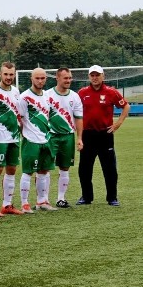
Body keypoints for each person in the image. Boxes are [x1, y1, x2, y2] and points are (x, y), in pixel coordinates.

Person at [77, 65, 130, 206]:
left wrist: (118, 123)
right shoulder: (82, 93)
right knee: (84, 168)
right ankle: (86, 197)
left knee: (110, 168)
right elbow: (75, 111)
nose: (95, 78)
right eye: (92, 75)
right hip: (88, 134)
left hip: (105, 134)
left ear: (103, 76)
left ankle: (112, 198)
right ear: (89, 77)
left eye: (97, 75)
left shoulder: (111, 92)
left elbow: (126, 106)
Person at [16, 68, 55, 213]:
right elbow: (19, 118)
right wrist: (26, 134)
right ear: (31, 79)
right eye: (37, 78)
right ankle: (25, 203)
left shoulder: (47, 95)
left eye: (43, 78)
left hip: (45, 139)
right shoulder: (24, 97)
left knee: (44, 171)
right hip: (30, 140)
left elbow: (48, 115)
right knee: (28, 172)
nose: (40, 81)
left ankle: (42, 201)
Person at [0, 62, 23, 216]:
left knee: (12, 169)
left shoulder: (15, 91)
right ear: (0, 74)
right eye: (6, 74)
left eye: (11, 74)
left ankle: (7, 205)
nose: (9, 77)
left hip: (14, 137)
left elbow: (18, 113)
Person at [46, 67, 83, 208]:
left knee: (65, 168)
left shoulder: (74, 96)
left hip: (67, 136)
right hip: (51, 136)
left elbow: (79, 118)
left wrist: (79, 138)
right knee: (45, 168)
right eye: (65, 78)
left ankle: (61, 198)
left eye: (70, 78)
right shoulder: (47, 95)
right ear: (57, 78)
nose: (68, 80)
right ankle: (43, 199)